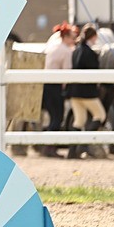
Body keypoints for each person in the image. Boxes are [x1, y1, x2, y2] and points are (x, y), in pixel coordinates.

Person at [65, 23, 108, 159]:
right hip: (87, 92)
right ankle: (84, 145)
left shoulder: (76, 50)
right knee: (100, 115)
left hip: (74, 91)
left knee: (79, 120)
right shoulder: (89, 52)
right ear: (93, 36)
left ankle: (72, 152)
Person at [38, 22, 77, 157]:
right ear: (66, 37)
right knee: (57, 117)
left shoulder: (52, 46)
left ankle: (46, 146)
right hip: (55, 86)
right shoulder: (66, 51)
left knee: (51, 115)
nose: (74, 40)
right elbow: (67, 73)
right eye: (72, 37)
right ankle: (50, 147)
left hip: (44, 84)